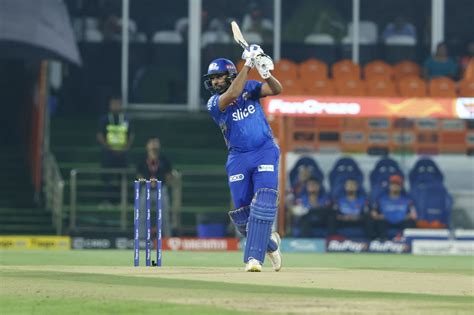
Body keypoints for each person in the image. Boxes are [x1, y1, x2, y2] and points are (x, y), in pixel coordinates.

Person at [204, 44, 283, 272]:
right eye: (213, 78)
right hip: (238, 157)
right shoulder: (213, 104)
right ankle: (270, 244)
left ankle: (253, 259)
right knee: (243, 214)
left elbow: (276, 90)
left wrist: (266, 72)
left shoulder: (249, 87)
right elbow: (232, 94)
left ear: (229, 76)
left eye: (219, 77)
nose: (216, 82)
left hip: (264, 150)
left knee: (265, 199)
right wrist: (248, 64)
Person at [96, 97, 134, 204]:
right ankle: (106, 200)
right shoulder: (105, 119)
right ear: (110, 105)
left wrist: (126, 148)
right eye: (114, 104)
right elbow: (100, 135)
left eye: (118, 104)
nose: (116, 106)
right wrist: (109, 148)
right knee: (107, 178)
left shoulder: (126, 119)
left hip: (123, 153)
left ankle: (123, 201)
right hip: (108, 153)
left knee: (123, 178)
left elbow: (131, 135)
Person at [136, 137, 173, 237]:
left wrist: (162, 183)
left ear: (159, 145)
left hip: (161, 189)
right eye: (151, 143)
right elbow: (139, 176)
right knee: (142, 214)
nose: (153, 145)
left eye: (155, 143)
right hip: (146, 189)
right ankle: (142, 238)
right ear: (147, 146)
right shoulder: (143, 160)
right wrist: (147, 182)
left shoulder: (164, 159)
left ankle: (167, 239)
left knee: (164, 215)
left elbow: (169, 175)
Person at [370, 175, 417, 240]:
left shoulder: (407, 200)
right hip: (386, 221)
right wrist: (378, 216)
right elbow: (373, 213)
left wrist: (409, 216)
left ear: (401, 187)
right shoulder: (381, 199)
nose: (395, 186)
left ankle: (405, 241)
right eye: (392, 184)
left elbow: (414, 215)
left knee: (410, 222)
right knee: (378, 223)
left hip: (402, 221)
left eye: (397, 184)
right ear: (389, 186)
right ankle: (381, 241)